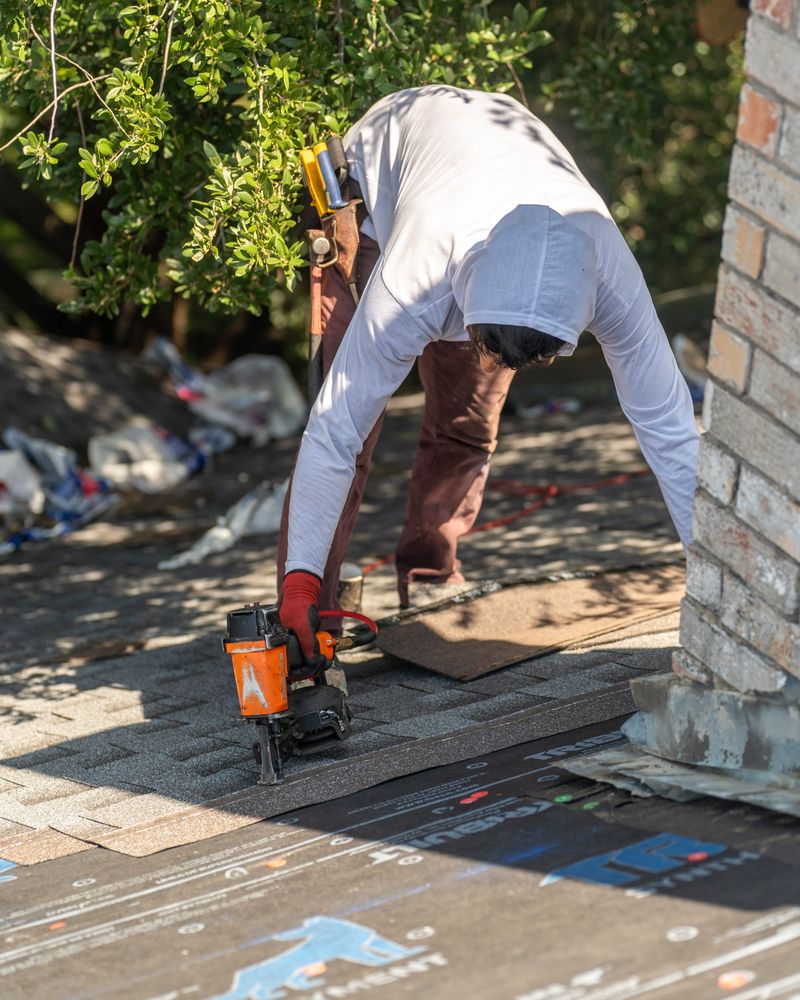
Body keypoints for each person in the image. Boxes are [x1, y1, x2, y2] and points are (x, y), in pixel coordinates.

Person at [277, 86, 699, 670]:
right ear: (469, 303)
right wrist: (297, 581)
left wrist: (717, 571)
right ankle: (305, 616)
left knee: (466, 427)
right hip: (377, 196)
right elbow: (333, 431)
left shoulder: (608, 270)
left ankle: (430, 575)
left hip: (477, 182)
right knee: (356, 432)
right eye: (489, 347)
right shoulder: (414, 270)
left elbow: (670, 429)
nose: (496, 364)